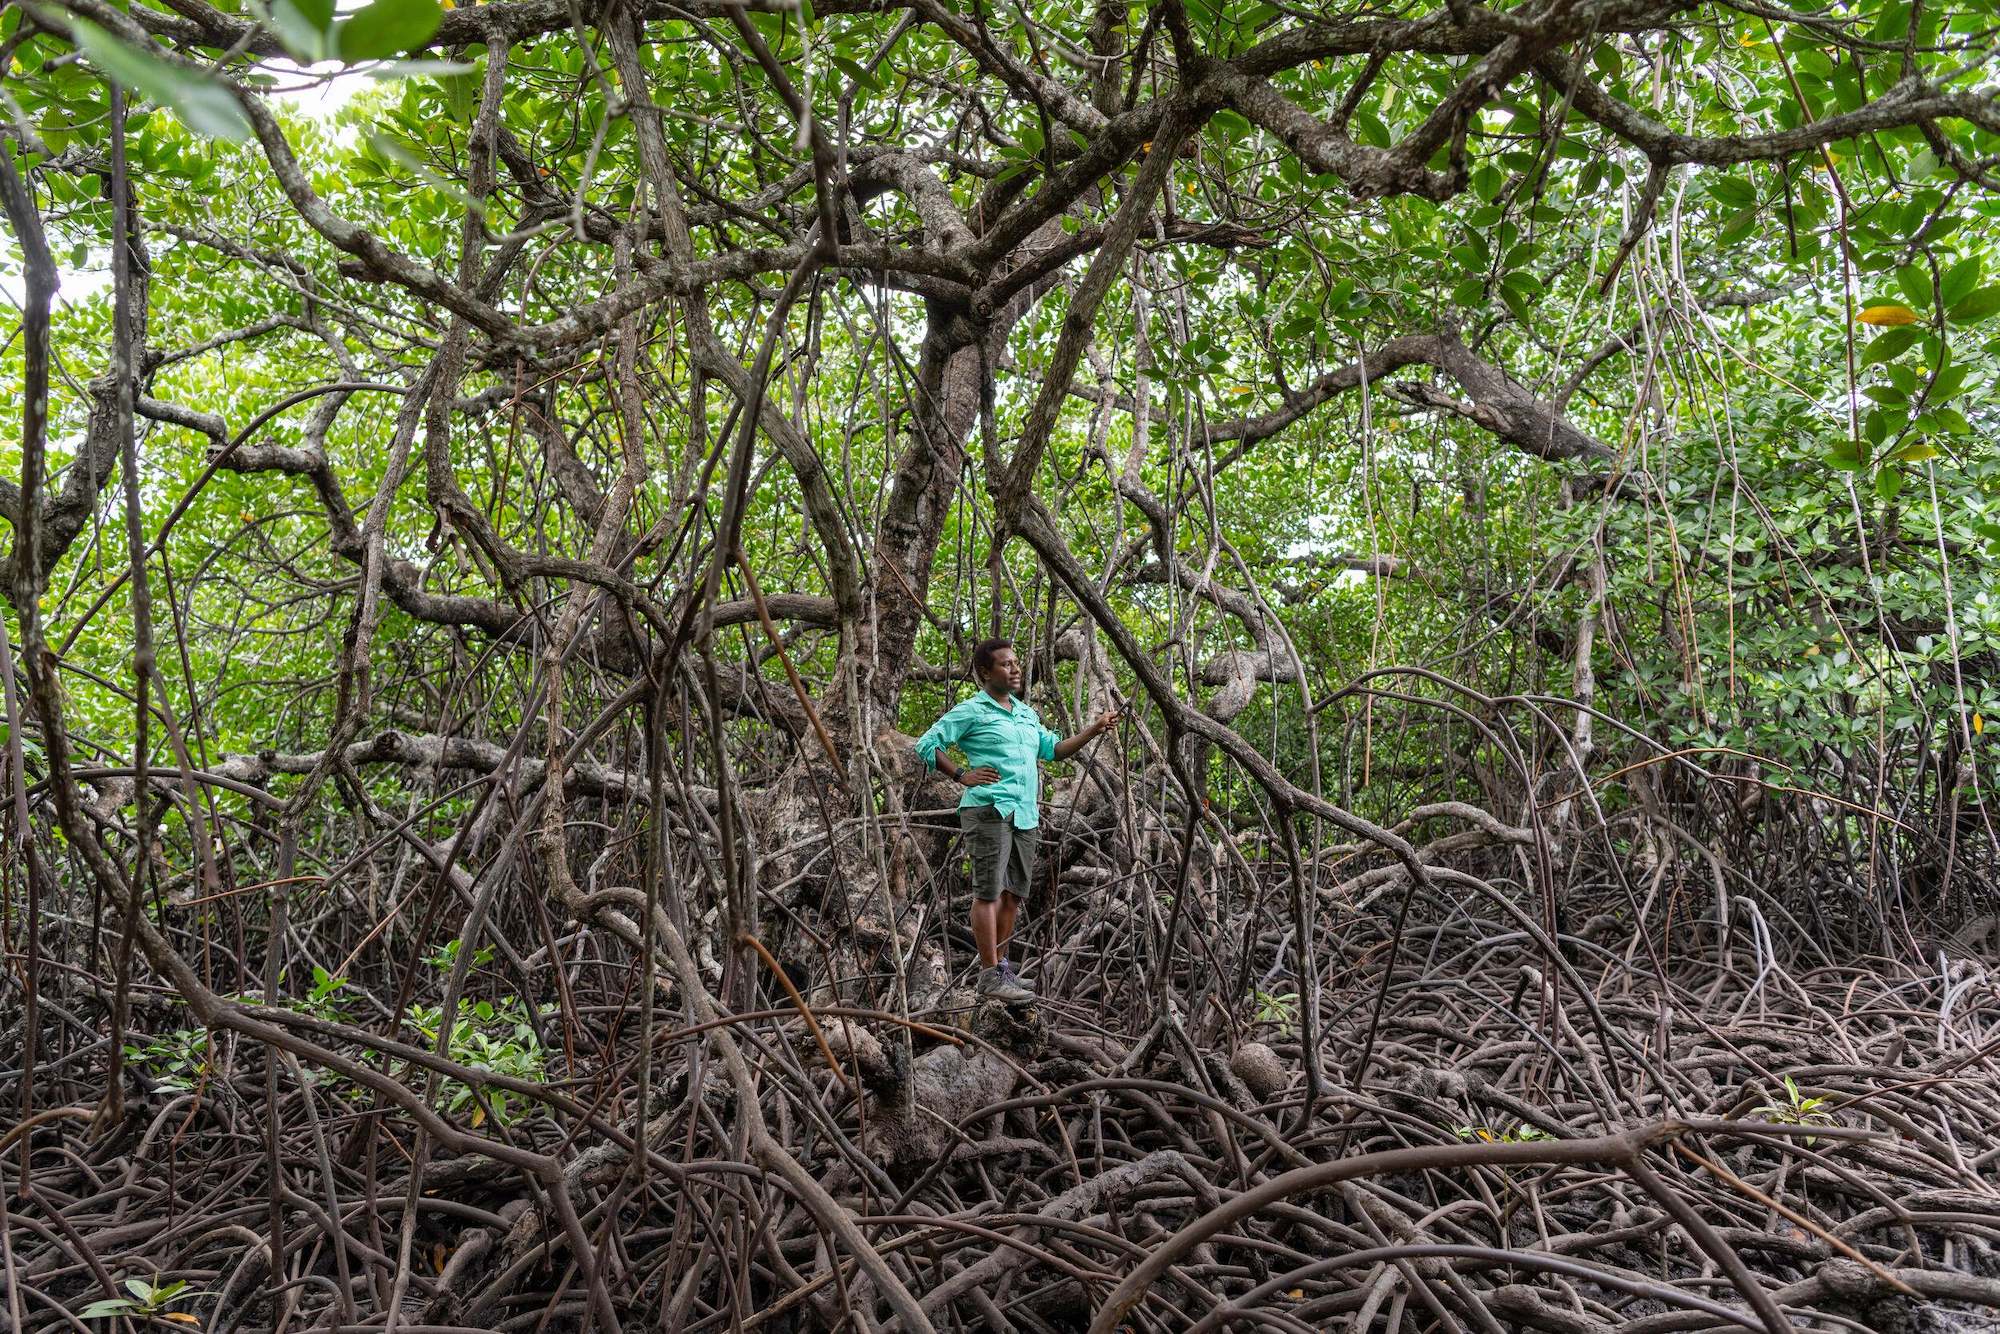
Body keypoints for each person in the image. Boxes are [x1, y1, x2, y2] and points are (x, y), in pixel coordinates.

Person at [915, 637, 1120, 1002]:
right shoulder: (972, 711)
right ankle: (988, 974)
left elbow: (1053, 750)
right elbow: (928, 744)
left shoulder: (1026, 714)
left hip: (1025, 814)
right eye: (1006, 664)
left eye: (1016, 663)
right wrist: (961, 774)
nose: (1015, 669)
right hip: (989, 809)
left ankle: (1004, 971)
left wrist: (1095, 728)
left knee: (1012, 895)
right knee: (988, 892)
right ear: (984, 672)